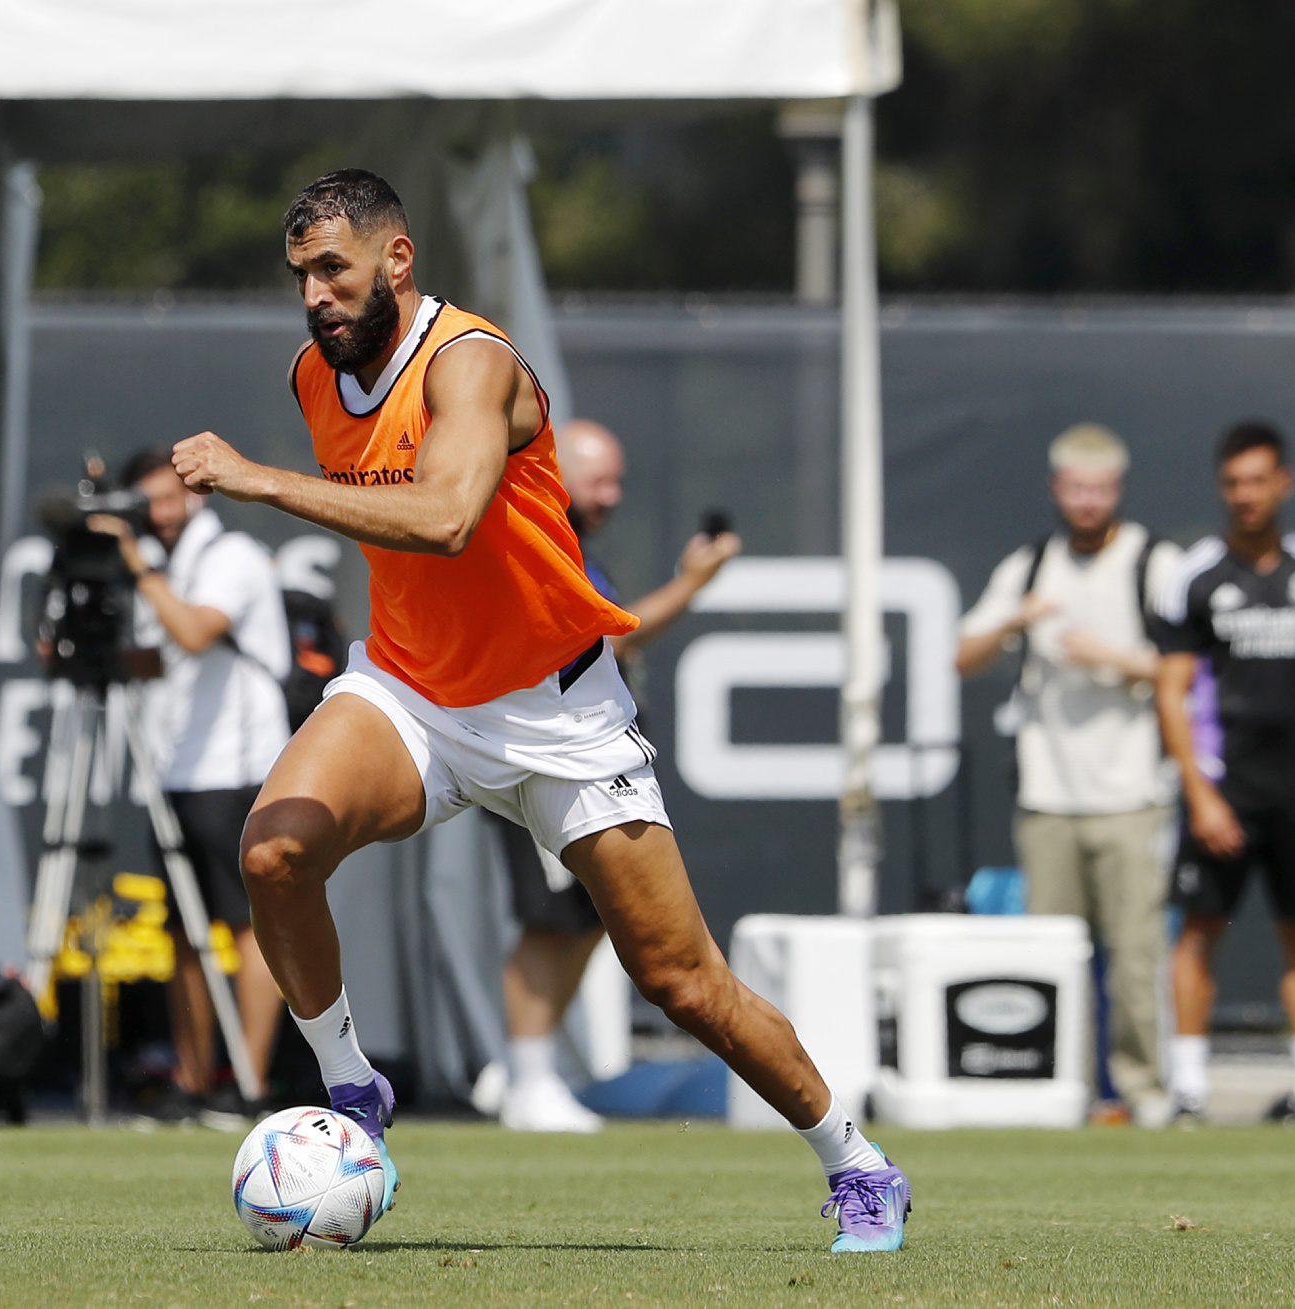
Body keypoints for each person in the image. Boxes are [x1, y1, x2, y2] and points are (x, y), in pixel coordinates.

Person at [167, 169, 911, 1252]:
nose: (317, 295)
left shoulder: (472, 363)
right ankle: (350, 1087)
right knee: (274, 853)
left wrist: (260, 482)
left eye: (334, 268)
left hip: (555, 715)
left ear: (397, 259)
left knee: (680, 982)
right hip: (411, 691)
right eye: (299, 277)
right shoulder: (313, 376)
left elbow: (450, 517)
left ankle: (858, 1165)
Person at [475, 418, 741, 1133]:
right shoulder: (535, 535)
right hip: (540, 758)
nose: (611, 495)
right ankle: (527, 1078)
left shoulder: (576, 545)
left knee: (589, 916)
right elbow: (614, 636)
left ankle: (526, 1068)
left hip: (585, 758)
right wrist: (691, 584)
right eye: (599, 480)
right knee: (551, 918)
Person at [955, 424, 1182, 1127]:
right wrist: (1016, 620)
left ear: (1117, 488)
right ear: (1058, 489)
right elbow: (963, 654)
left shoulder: (1155, 562)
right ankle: (1069, 1092)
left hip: (1131, 794)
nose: (1088, 501)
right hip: (1049, 796)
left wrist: (1113, 658)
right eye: (1076, 487)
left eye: (1101, 488)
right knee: (1055, 959)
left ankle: (1145, 1094)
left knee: (1136, 955)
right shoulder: (1030, 567)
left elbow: (1188, 669)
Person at [87, 447, 291, 1120]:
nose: (160, 510)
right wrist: (84, 650)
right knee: (184, 933)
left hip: (236, 766)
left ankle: (250, 1080)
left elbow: (197, 632)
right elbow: (160, 656)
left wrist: (138, 566)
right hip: (176, 766)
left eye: (168, 494)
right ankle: (194, 1077)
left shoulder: (228, 555)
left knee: (246, 928)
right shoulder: (164, 567)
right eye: (147, 499)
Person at [1153, 420, 1295, 1122]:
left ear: (1284, 483)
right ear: (1222, 487)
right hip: (1224, 785)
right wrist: (1200, 793)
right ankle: (1188, 1090)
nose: (1247, 495)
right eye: (1234, 482)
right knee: (1199, 930)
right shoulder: (1197, 575)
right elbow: (1170, 691)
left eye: (1259, 480)